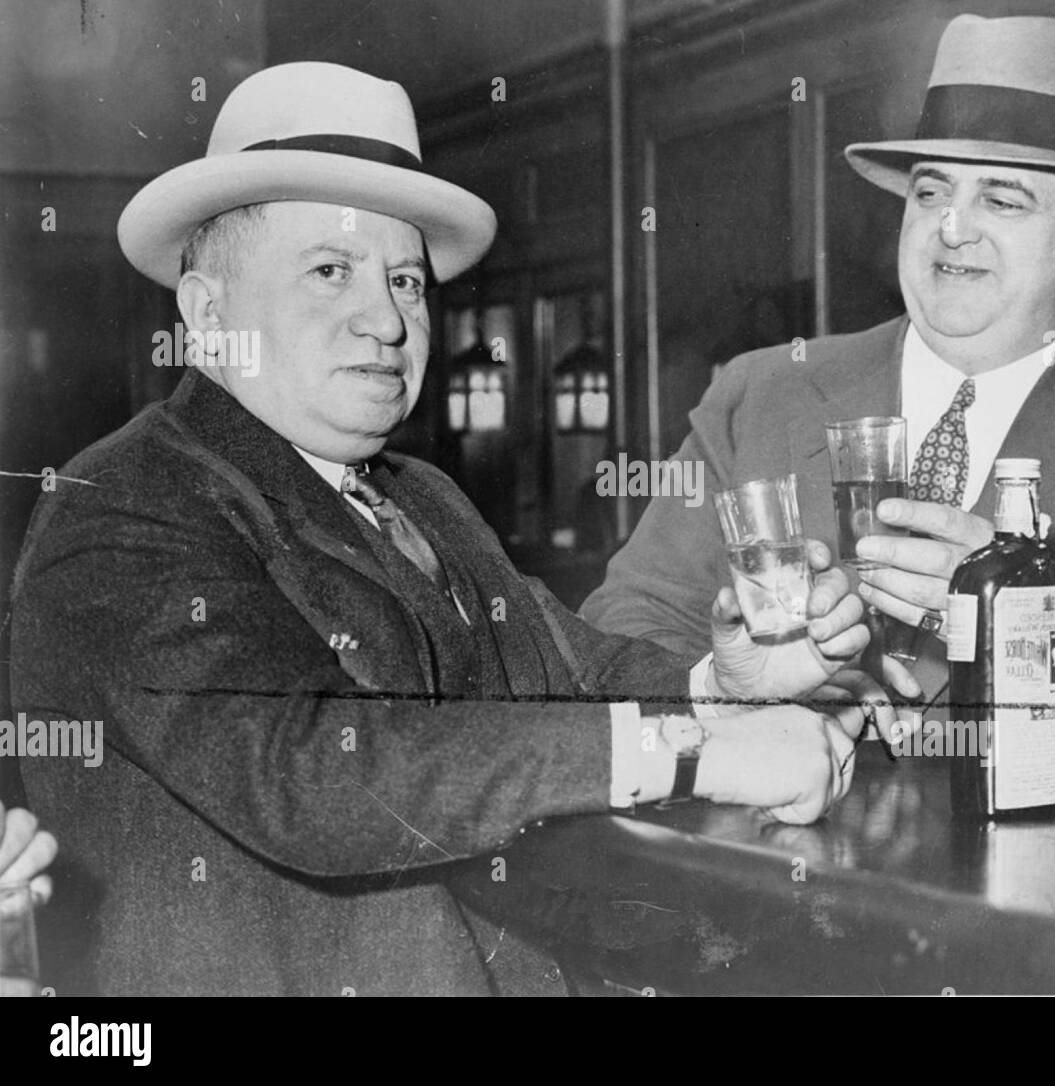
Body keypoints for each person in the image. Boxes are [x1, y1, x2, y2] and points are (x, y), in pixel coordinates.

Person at [8, 62, 882, 996]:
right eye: (330, 271)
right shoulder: (126, 500)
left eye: (406, 281)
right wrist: (697, 754)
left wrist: (720, 684)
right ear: (207, 315)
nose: (386, 319)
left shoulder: (418, 492)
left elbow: (566, 674)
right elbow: (313, 769)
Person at [581, 14, 1055, 754]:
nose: (953, 228)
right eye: (932, 193)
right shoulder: (759, 394)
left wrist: (1016, 632)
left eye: (1001, 200)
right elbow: (617, 633)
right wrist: (738, 692)